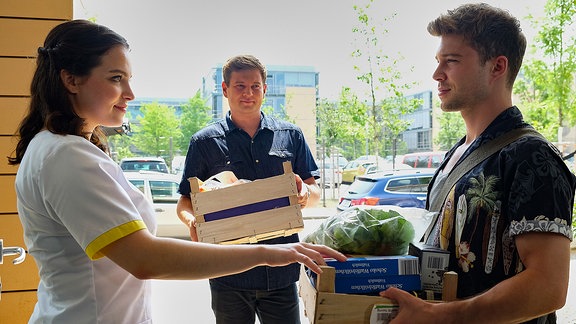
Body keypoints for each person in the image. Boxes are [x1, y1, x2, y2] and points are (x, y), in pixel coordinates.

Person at [9, 20, 346, 324]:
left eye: (128, 79)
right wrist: (270, 253)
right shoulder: (67, 155)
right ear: (71, 79)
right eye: (115, 78)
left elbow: (312, 189)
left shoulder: (63, 148)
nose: (130, 94)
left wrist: (294, 216)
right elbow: (146, 258)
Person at [380, 3, 576, 323]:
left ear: (497, 67)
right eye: (438, 61)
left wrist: (440, 316)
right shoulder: (455, 154)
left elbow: (548, 287)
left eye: (452, 61)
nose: (436, 74)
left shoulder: (531, 157)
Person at [176, 54, 321, 324]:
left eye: (255, 86)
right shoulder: (204, 142)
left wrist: (304, 195)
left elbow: (314, 191)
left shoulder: (291, 135)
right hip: (227, 273)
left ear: (265, 89)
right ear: (225, 89)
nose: (248, 93)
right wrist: (191, 221)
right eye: (240, 86)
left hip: (281, 271)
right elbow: (185, 202)